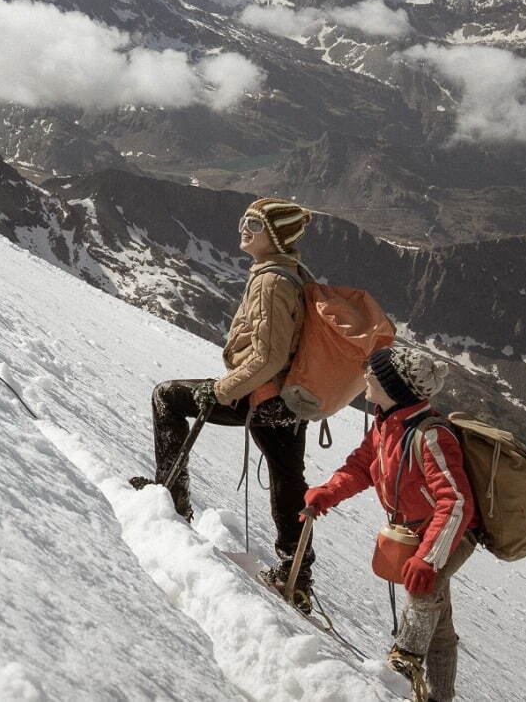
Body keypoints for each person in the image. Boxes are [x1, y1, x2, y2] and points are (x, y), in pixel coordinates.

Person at [129, 196, 317, 609]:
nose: (243, 229)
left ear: (274, 235)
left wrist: (221, 389)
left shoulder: (270, 282)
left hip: (263, 395)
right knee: (288, 479)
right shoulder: (292, 274)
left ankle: (173, 500)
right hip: (291, 400)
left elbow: (267, 356)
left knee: (169, 397)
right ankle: (296, 573)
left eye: (253, 223)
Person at [301, 348, 478, 702]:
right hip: (417, 530)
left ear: (395, 387)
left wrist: (428, 557)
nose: (366, 375)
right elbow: (362, 466)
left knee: (423, 590)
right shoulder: (387, 422)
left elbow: (456, 503)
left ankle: (405, 661)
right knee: (439, 625)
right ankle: (440, 696)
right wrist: (327, 493)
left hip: (449, 532)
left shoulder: (431, 435)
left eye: (375, 373)